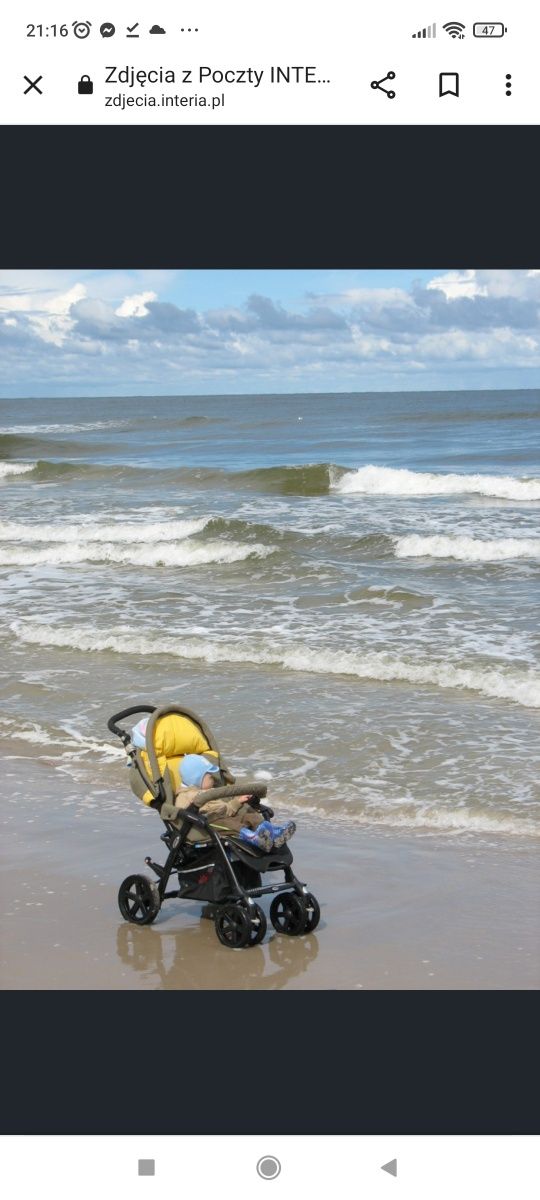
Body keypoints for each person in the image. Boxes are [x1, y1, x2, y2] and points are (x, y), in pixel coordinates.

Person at [174, 753, 296, 851]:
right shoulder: (185, 796)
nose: (213, 777)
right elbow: (183, 811)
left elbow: (225, 808)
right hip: (208, 823)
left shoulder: (208, 791)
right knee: (230, 823)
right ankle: (253, 837)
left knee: (248, 813)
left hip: (224, 813)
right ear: (196, 778)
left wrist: (238, 801)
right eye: (209, 776)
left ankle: (272, 833)